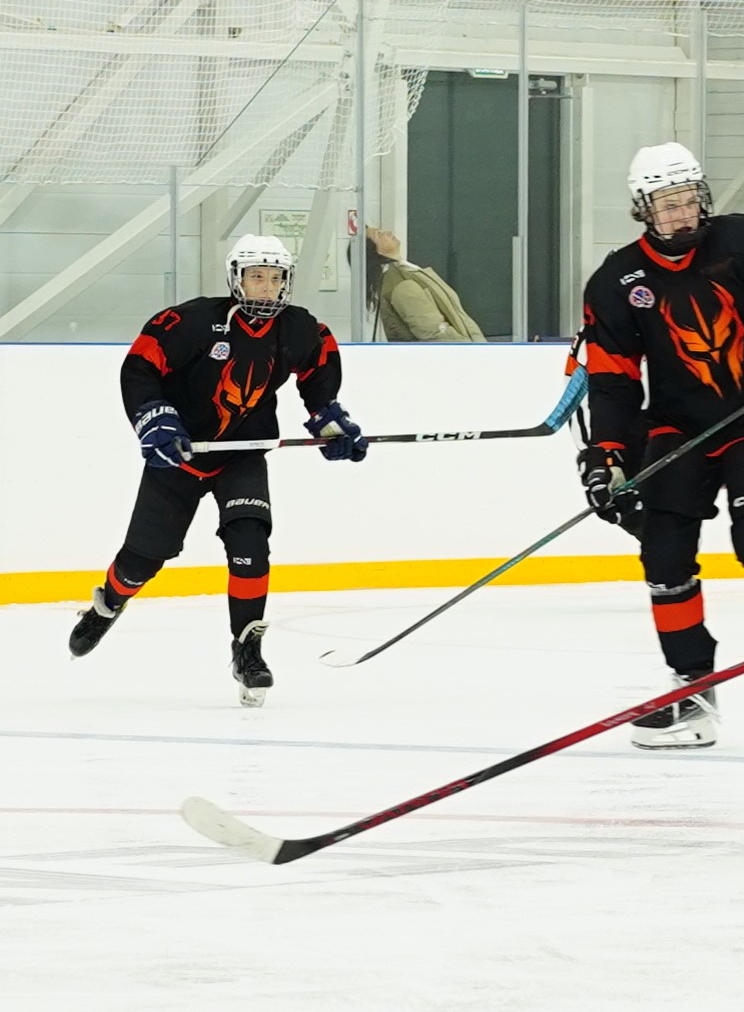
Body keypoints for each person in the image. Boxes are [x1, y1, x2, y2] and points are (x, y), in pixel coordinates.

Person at [577, 141, 744, 749]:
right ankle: (692, 694)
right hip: (678, 430)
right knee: (663, 554)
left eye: (688, 200)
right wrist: (607, 454)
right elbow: (613, 378)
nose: (680, 214)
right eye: (666, 205)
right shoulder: (617, 281)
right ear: (643, 210)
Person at [67, 235, 367, 705]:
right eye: (256, 276)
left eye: (275, 278)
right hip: (179, 457)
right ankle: (108, 605)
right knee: (142, 559)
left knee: (250, 543)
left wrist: (328, 421)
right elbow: (140, 367)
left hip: (241, 455)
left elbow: (317, 372)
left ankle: (248, 650)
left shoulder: (299, 329)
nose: (266, 287)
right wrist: (155, 417)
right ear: (236, 279)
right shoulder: (191, 322)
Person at [363, 229, 486, 342]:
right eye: (380, 235)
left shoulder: (406, 272)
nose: (388, 232)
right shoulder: (400, 282)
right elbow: (434, 332)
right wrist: (471, 350)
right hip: (459, 354)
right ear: (374, 250)